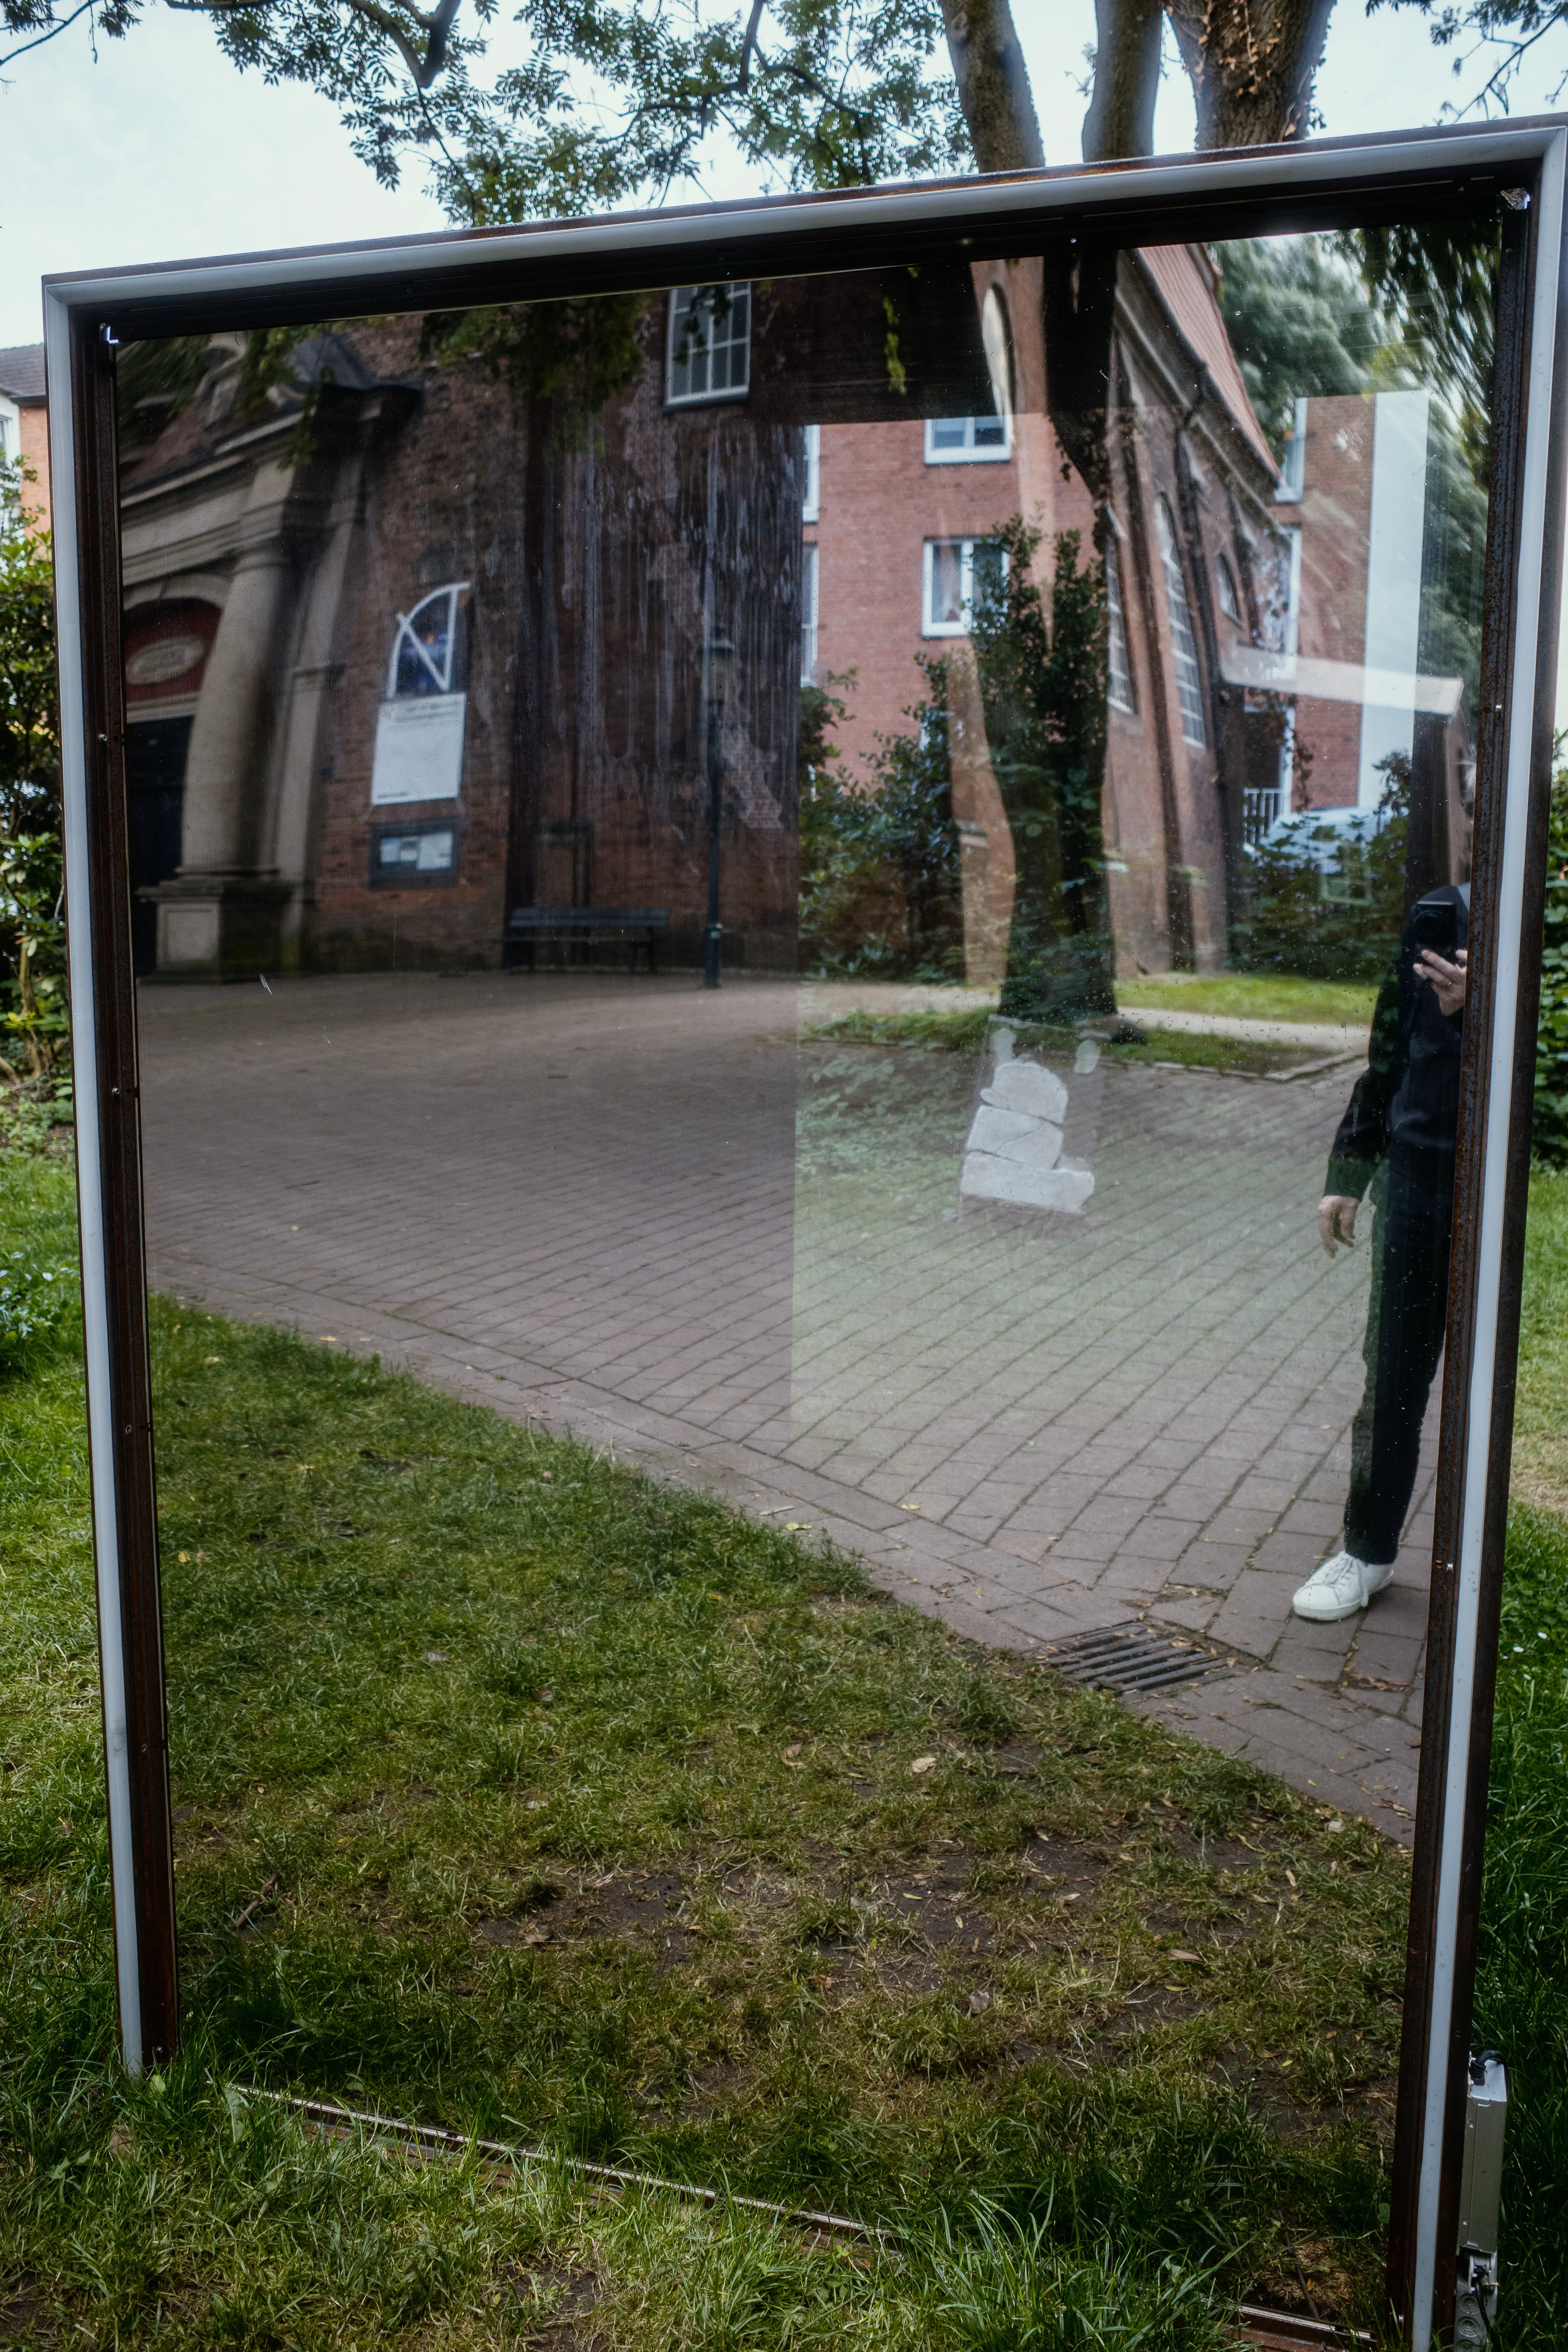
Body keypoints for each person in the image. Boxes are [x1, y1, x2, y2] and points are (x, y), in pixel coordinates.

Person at [1290, 882, 1470, 1623]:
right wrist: (1350, 1171)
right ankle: (1367, 1552)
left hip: (1510, 1199)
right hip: (1420, 1185)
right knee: (1392, 1375)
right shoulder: (1441, 914)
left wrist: (1484, 1014)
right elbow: (1389, 1048)